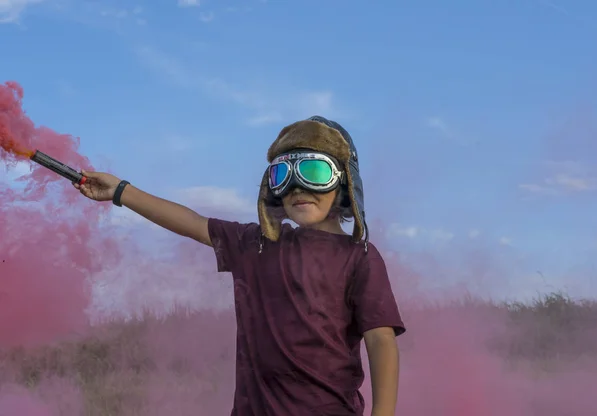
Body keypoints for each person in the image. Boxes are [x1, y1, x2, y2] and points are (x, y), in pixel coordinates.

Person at [75, 115, 406, 416]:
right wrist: (120, 191)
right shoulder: (256, 245)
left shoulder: (359, 256)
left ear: (343, 180)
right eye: (282, 175)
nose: (297, 188)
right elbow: (192, 222)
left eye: (312, 172)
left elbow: (380, 340)